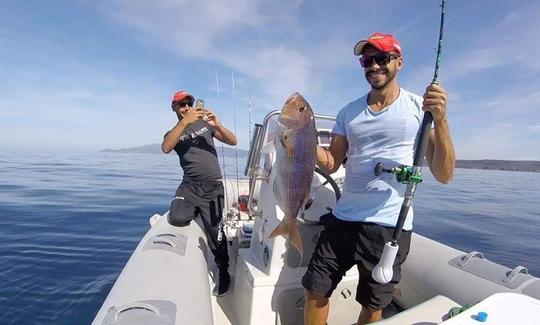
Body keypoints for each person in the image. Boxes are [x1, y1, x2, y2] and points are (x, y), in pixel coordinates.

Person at [302, 33, 455, 324]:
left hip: (389, 227)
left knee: (372, 305)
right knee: (314, 290)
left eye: (381, 58)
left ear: (399, 62)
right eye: (367, 60)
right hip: (343, 218)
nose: (373, 66)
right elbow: (332, 162)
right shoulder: (349, 111)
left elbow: (444, 174)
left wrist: (441, 119)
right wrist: (305, 143)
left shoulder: (419, 109)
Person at [162, 90, 238, 296]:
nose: (186, 107)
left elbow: (233, 141)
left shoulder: (206, 125)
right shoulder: (175, 131)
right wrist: (184, 123)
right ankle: (195, 210)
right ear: (174, 108)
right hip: (190, 185)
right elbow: (166, 147)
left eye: (189, 103)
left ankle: (224, 271)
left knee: (217, 234)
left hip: (213, 186)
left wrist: (217, 125)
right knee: (177, 218)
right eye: (181, 105)